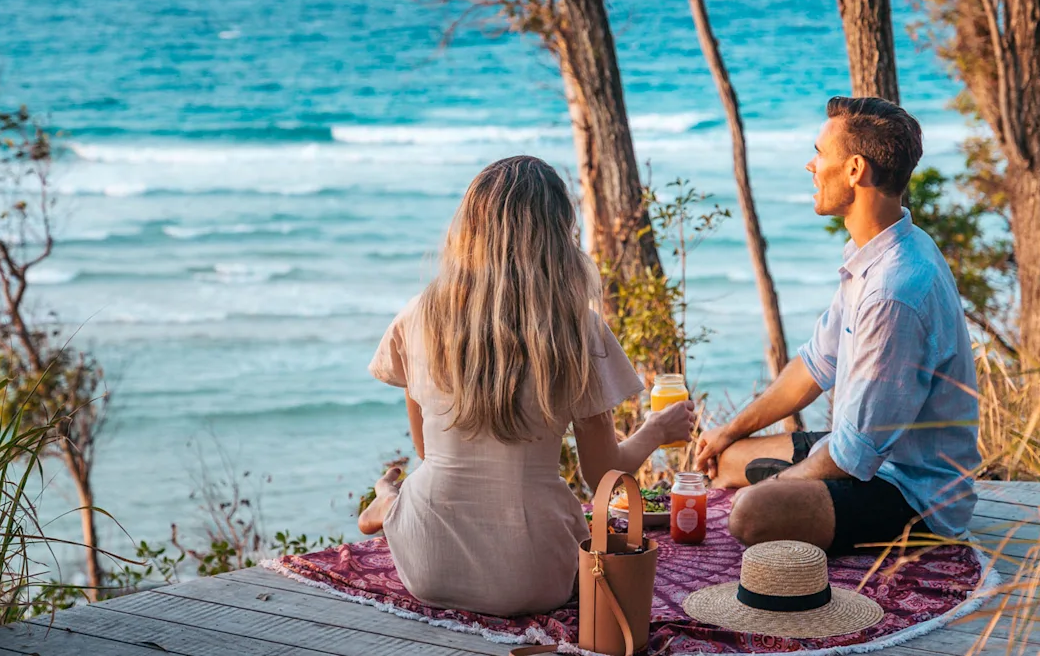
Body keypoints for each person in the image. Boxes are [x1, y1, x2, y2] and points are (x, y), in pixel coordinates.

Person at [357, 155, 696, 617]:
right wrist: (656, 430)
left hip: (425, 564)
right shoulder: (577, 329)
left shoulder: (419, 316)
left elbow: (423, 448)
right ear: (558, 235)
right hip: (535, 574)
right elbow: (603, 477)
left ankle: (389, 502)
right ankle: (389, 502)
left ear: (468, 232)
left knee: (418, 480)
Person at [695, 97, 980, 555]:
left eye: (820, 153)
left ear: (854, 170)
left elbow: (854, 454)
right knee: (726, 461)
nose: (811, 164)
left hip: (913, 496)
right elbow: (813, 365)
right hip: (866, 456)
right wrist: (729, 431)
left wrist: (776, 490)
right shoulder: (873, 254)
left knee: (750, 512)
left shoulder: (894, 290)